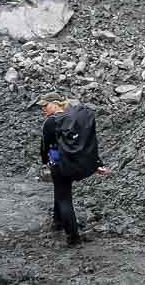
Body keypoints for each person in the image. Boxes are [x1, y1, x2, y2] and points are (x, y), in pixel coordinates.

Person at [40, 102, 109, 246]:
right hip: (74, 163)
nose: (43, 109)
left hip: (59, 165)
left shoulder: (51, 122)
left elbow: (45, 145)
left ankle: (73, 237)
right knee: (60, 192)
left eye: (45, 105)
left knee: (64, 198)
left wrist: (45, 160)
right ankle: (57, 222)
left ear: (55, 104)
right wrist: (97, 164)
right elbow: (89, 143)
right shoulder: (75, 119)